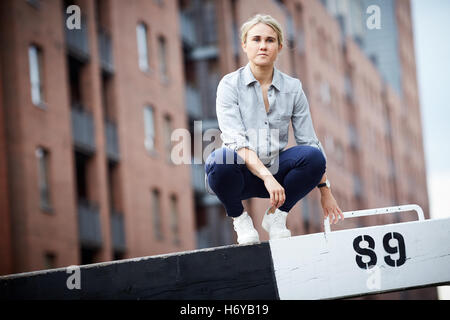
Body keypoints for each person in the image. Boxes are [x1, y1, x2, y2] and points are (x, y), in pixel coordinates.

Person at [204, 14, 344, 245]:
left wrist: (325, 190)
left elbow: (308, 140)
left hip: (277, 173)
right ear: (244, 45)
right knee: (219, 159)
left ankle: (277, 217)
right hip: (239, 175)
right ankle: (240, 219)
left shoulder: (293, 87)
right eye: (256, 39)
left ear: (279, 47)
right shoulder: (229, 85)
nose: (262, 45)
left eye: (269, 40)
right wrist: (267, 178)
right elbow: (236, 141)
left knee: (313, 156)